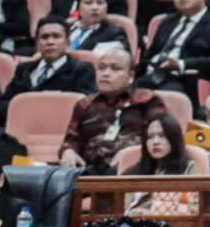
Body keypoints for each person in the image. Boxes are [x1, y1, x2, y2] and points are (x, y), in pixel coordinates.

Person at [63, 45, 172, 173]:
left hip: (135, 168)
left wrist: (132, 154)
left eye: (115, 69)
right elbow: (71, 139)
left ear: (130, 76)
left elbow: (161, 136)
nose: (106, 74)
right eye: (101, 68)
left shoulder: (147, 100)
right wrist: (68, 152)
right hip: (90, 170)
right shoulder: (84, 105)